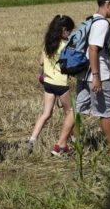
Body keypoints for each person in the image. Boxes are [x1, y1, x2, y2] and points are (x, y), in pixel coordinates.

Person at [56, 0, 110, 155]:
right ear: (108, 4)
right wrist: (97, 76)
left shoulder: (90, 20)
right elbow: (93, 49)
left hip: (83, 75)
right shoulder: (102, 24)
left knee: (78, 109)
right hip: (97, 75)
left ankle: (60, 145)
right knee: (106, 112)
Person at [27, 15, 75, 151]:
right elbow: (70, 65)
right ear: (64, 30)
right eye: (70, 31)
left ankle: (32, 140)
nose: (70, 34)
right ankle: (74, 140)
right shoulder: (66, 46)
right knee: (70, 114)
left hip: (48, 83)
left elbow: (41, 61)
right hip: (61, 84)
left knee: (46, 114)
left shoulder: (48, 43)